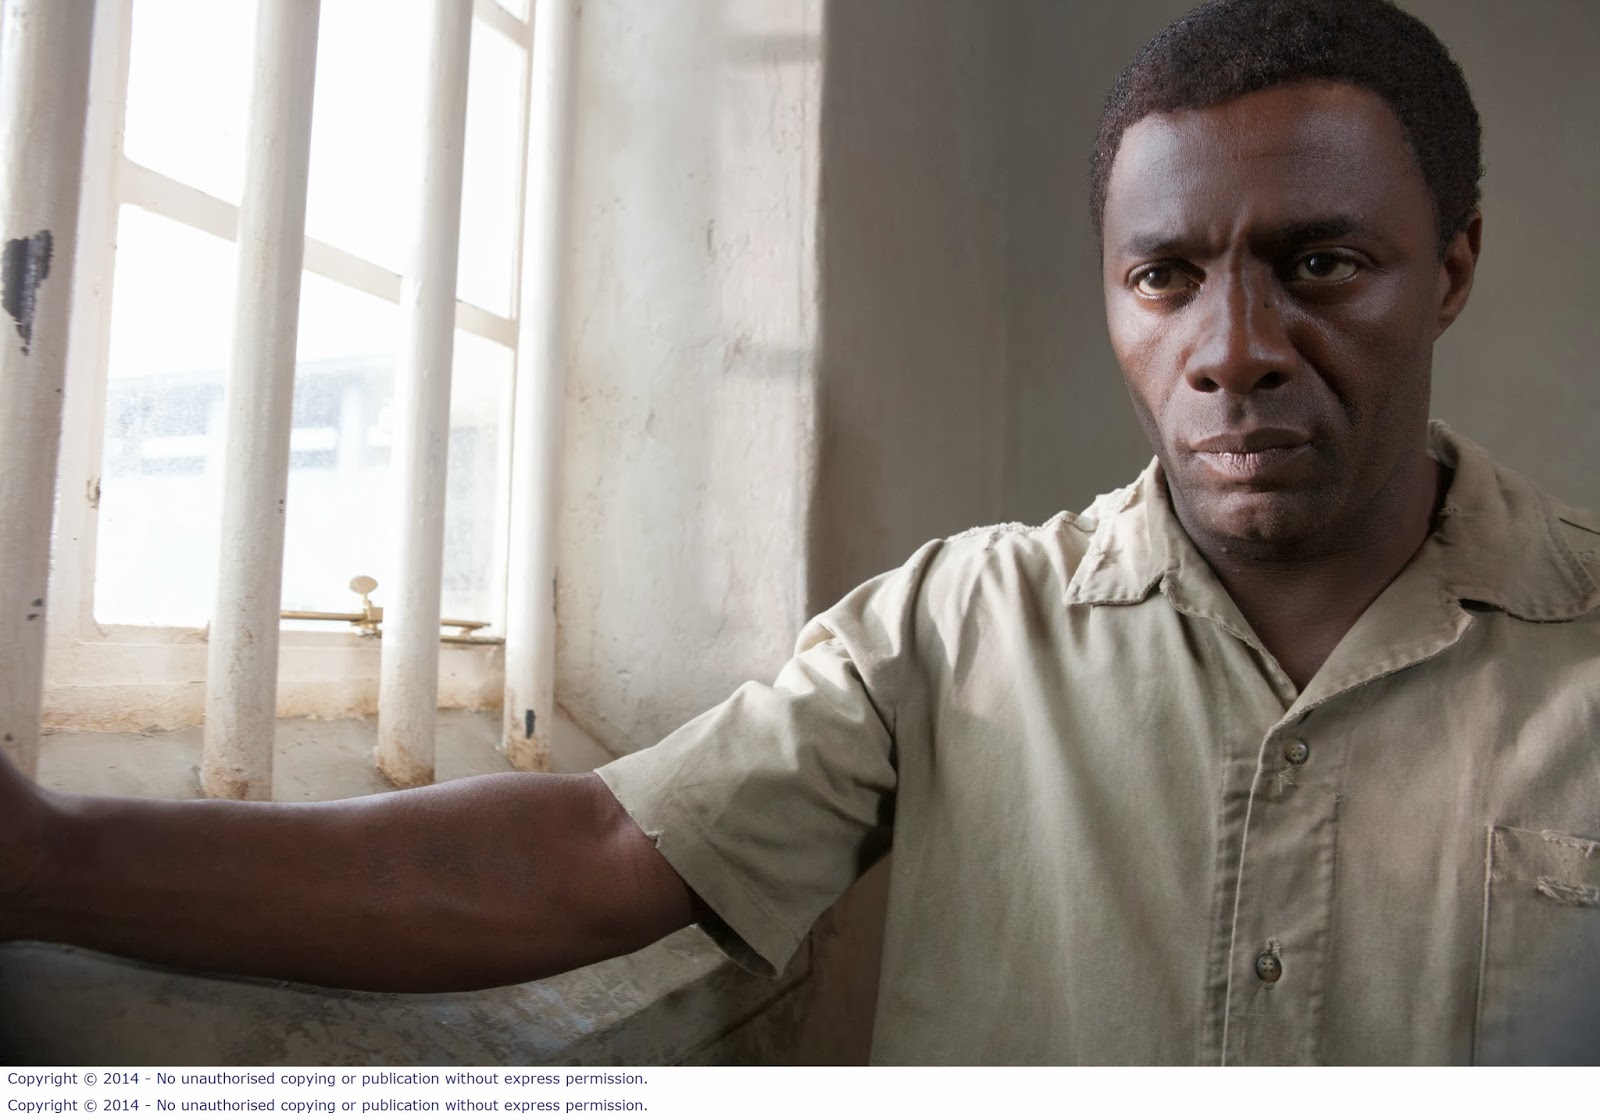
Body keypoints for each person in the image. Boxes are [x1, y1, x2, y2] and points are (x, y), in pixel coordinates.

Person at [2, 0, 1597, 1065]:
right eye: (1164, 277)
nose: (1230, 349)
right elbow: (593, 855)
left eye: (1321, 265)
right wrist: (48, 858)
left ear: (1450, 269)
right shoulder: (955, 632)